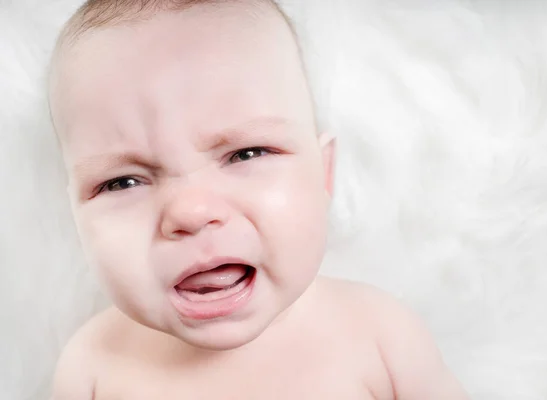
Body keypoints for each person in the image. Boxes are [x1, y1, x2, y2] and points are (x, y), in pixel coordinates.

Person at [48, 0, 469, 398]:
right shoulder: (92, 370)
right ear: (75, 213)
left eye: (245, 154)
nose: (191, 212)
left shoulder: (382, 338)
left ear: (323, 174)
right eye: (123, 182)